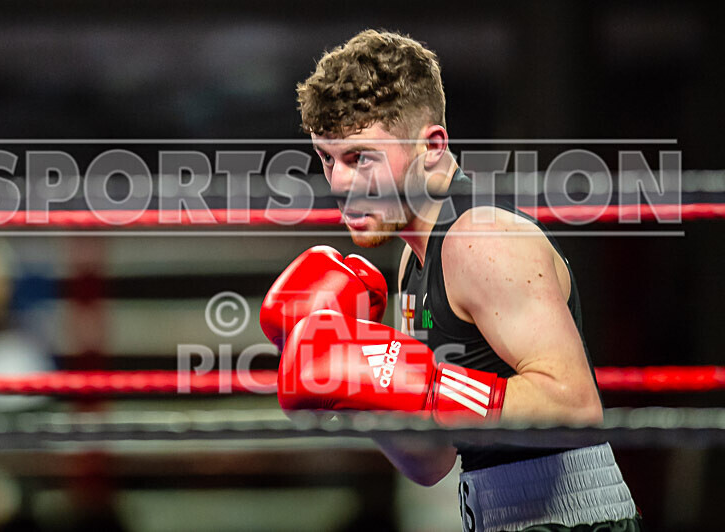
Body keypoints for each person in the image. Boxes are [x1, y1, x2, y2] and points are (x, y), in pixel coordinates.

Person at [261, 30, 641, 531]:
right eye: (328, 159)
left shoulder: (481, 239)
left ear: (432, 147)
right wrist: (360, 395)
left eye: (360, 158)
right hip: (496, 514)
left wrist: (427, 386)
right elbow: (434, 460)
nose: (338, 183)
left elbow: (573, 408)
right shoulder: (413, 262)